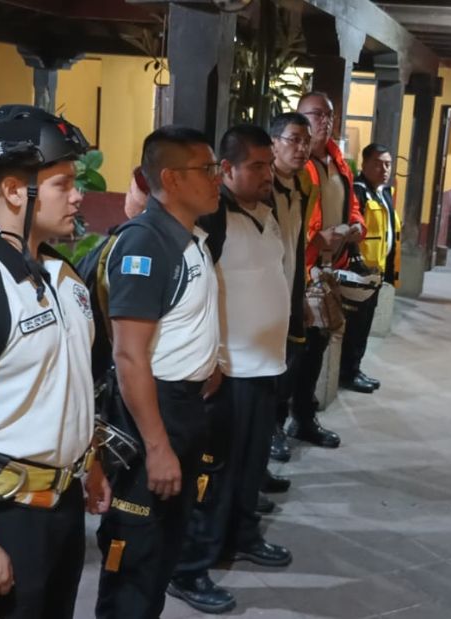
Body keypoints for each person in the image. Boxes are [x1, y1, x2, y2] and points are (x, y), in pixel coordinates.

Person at [0, 104, 110, 619]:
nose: (78, 196)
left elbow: (67, 384)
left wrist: (89, 462)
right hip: (3, 519)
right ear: (13, 192)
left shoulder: (59, 275)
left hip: (62, 510)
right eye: (63, 183)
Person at [94, 126, 222, 619]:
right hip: (151, 412)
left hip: (182, 404)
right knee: (137, 558)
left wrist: (208, 365)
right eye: (206, 169)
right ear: (169, 177)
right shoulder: (146, 245)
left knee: (164, 549)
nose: (217, 178)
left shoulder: (189, 239)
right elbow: (129, 357)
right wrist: (156, 445)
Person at [168, 125, 292, 613]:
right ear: (227, 170)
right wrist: (213, 358)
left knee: (251, 467)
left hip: (265, 367)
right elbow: (197, 294)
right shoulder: (213, 221)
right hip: (228, 371)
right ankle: (190, 568)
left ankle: (242, 535)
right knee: (213, 476)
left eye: (268, 164)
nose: (267, 173)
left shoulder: (269, 211)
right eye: (256, 166)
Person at [289, 92, 365, 449]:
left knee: (316, 349)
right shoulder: (293, 167)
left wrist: (355, 226)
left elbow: (352, 205)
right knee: (293, 354)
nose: (325, 121)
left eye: (329, 115)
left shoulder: (337, 161)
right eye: (317, 114)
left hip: (327, 271)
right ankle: (277, 425)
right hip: (298, 272)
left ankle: (304, 418)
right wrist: (318, 240)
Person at [266, 111, 317, 464]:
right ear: (274, 143)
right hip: (263, 304)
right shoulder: (261, 190)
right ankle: (267, 440)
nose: (301, 149)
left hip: (288, 297)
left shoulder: (301, 188)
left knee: (285, 372)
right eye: (293, 140)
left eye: (305, 141)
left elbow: (296, 247)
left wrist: (301, 296)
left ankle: (275, 433)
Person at [339, 143, 399, 393]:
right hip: (358, 274)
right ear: (364, 164)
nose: (384, 168)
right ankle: (347, 373)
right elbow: (353, 228)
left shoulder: (384, 193)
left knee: (364, 326)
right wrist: (355, 259)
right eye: (377, 163)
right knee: (354, 326)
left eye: (387, 163)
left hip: (376, 271)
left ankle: (355, 368)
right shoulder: (358, 192)